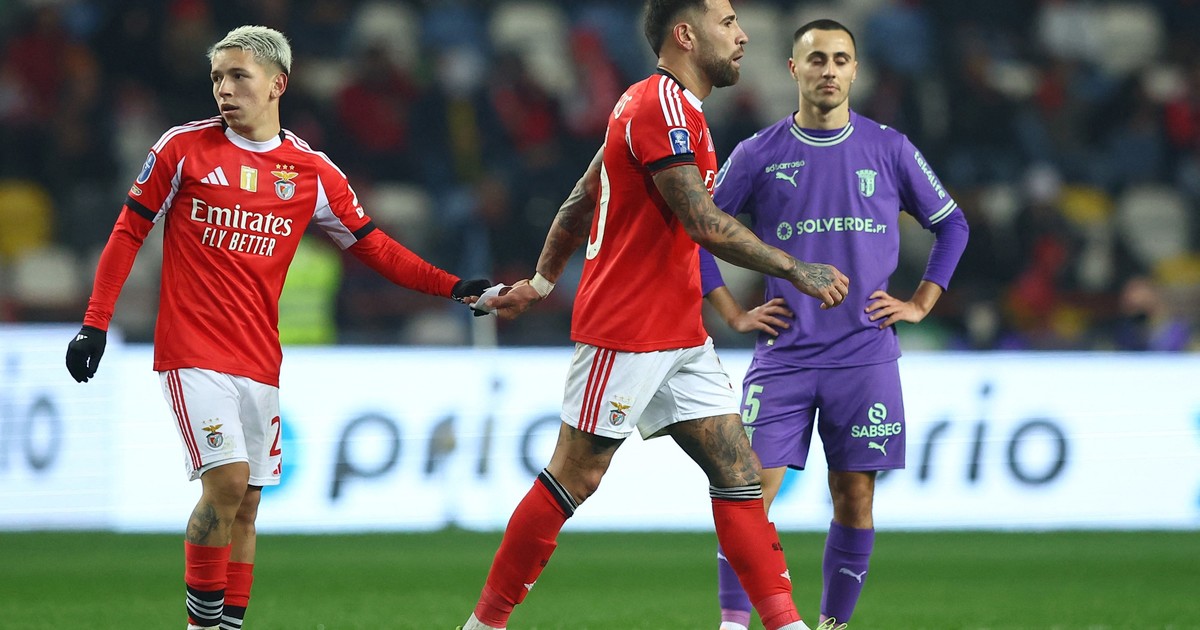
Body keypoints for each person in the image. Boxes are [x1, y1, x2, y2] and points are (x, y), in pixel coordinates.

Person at [63, 26, 489, 630]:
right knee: (228, 481)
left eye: (239, 76)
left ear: (277, 84)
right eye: (217, 77)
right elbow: (128, 230)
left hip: (260, 358)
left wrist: (453, 287)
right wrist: (95, 324)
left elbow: (375, 247)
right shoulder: (182, 149)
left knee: (247, 505)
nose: (224, 89)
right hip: (192, 351)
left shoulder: (310, 171)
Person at [459, 2, 851, 630]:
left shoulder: (664, 107)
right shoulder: (659, 106)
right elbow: (703, 222)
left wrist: (540, 281)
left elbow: (582, 197)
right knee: (576, 475)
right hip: (626, 330)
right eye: (727, 22)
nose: (743, 35)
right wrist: (796, 268)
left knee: (739, 473)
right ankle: (483, 625)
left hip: (679, 334)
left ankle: (786, 624)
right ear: (686, 34)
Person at [700, 19, 970, 630]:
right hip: (785, 356)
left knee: (855, 498)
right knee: (745, 494)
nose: (829, 70)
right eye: (816, 58)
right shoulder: (758, 154)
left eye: (841, 59)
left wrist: (921, 302)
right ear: (793, 69)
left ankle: (832, 625)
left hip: (864, 358)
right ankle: (733, 625)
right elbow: (696, 233)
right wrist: (732, 312)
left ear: (855, 71)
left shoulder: (890, 149)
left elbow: (952, 224)